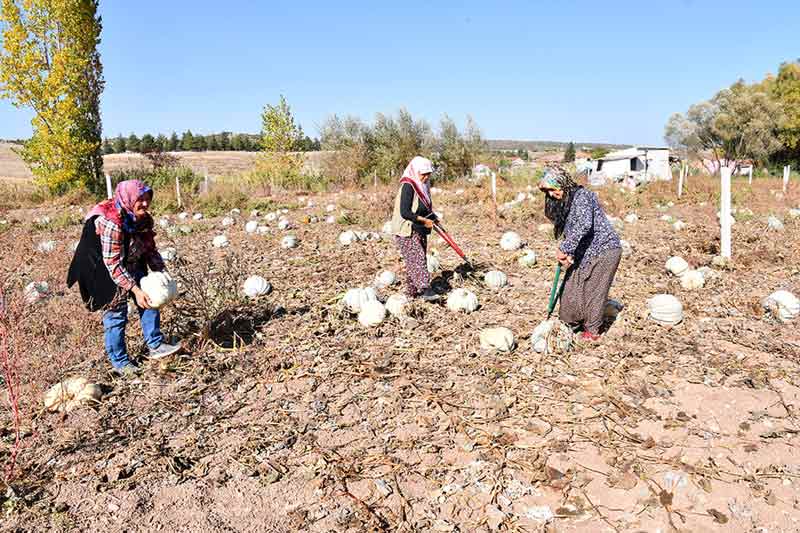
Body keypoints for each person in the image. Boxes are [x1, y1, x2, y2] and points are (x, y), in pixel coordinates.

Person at [67, 180, 181, 376]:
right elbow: (112, 264)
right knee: (116, 315)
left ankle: (155, 345)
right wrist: (135, 290)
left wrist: (161, 272)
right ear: (129, 199)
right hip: (103, 269)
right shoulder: (111, 222)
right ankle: (120, 362)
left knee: (150, 298)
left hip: (130, 260)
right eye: (140, 200)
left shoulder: (143, 219)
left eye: (147, 199)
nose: (145, 204)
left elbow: (149, 248)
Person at [538, 166, 621, 341]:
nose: (551, 195)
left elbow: (584, 224)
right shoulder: (567, 201)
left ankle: (592, 331)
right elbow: (574, 230)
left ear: (563, 184)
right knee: (570, 290)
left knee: (594, 292)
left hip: (605, 249)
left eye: (553, 189)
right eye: (547, 192)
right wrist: (570, 253)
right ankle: (570, 323)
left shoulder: (582, 196)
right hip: (586, 252)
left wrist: (566, 248)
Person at [390, 156, 439, 301]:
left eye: (428, 174)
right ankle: (425, 289)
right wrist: (425, 221)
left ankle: (411, 292)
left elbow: (424, 207)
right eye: (423, 174)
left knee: (416, 259)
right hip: (405, 228)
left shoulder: (424, 185)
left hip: (419, 227)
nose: (426, 177)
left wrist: (433, 217)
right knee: (417, 259)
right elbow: (405, 212)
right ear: (415, 171)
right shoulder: (408, 185)